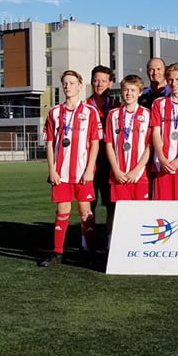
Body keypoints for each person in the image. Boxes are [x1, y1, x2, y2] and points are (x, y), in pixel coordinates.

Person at [39, 70, 102, 267]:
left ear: (80, 86)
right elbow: (50, 143)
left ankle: (90, 252)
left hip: (83, 172)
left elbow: (95, 143)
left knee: (86, 211)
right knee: (62, 210)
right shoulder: (54, 112)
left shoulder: (90, 112)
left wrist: (89, 169)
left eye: (72, 83)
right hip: (62, 173)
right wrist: (52, 169)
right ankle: (57, 253)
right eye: (65, 83)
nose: (68, 86)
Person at [150, 63, 178, 200]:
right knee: (163, 208)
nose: (174, 83)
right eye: (170, 79)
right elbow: (155, 133)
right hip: (163, 164)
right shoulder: (159, 104)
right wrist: (162, 158)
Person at [105, 75, 151, 204]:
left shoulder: (147, 114)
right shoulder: (113, 115)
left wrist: (136, 170)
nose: (129, 93)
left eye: (133, 90)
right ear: (121, 91)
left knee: (140, 212)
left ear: (140, 92)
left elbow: (149, 146)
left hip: (140, 174)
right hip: (118, 174)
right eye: (126, 90)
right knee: (120, 211)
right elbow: (109, 144)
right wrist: (116, 170)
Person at [86, 65, 119, 240]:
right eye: (96, 80)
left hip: (110, 164)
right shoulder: (83, 107)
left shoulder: (117, 107)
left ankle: (109, 242)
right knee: (87, 205)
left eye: (104, 81)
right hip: (88, 165)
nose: (99, 84)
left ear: (111, 83)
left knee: (111, 205)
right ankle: (87, 243)